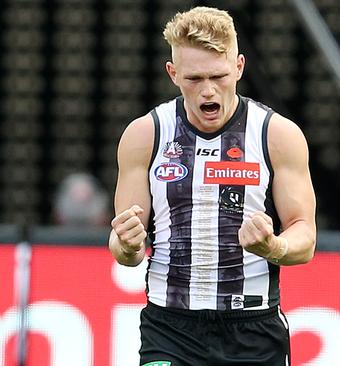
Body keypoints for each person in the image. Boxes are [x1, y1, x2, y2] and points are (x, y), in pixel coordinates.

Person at [107, 7, 317, 365]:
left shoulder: (276, 135)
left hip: (253, 326)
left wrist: (273, 245)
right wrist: (126, 246)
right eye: (194, 79)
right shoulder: (145, 135)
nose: (207, 91)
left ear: (239, 67)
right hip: (170, 326)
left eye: (218, 76)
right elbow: (127, 245)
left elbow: (306, 239)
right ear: (173, 74)